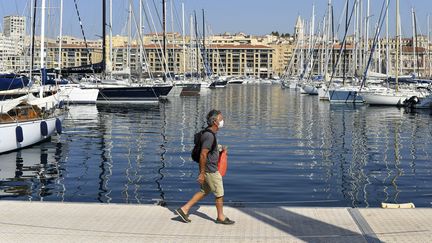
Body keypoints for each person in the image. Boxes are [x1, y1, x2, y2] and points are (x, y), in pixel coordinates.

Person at [176, 109, 235, 225]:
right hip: (210, 170)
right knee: (219, 193)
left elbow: (209, 149)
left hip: (208, 169)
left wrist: (220, 148)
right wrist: (202, 173)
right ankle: (220, 217)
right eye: (221, 119)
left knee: (204, 191)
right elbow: (203, 154)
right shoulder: (209, 136)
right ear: (214, 122)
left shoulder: (208, 133)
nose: (222, 121)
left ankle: (184, 209)